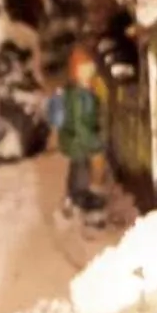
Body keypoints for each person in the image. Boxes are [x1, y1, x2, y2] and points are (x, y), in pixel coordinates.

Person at [45, 46, 108, 215]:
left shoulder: (84, 90)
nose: (90, 71)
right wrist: (94, 143)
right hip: (78, 141)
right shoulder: (78, 96)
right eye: (85, 68)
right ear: (77, 71)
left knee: (77, 169)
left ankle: (72, 198)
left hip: (75, 140)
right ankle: (81, 201)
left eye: (90, 67)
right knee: (81, 172)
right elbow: (81, 126)